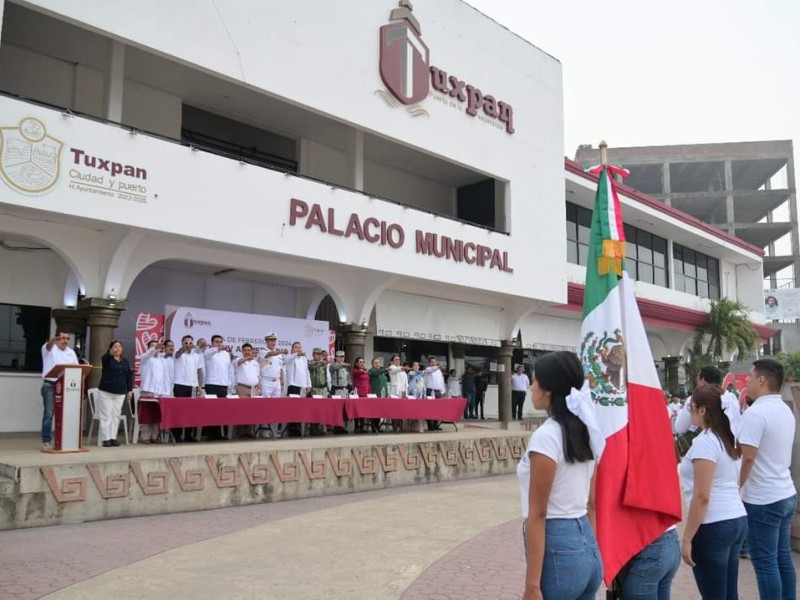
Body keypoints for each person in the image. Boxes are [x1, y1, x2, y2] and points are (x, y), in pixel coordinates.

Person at [517, 351, 603, 600]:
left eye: (533, 381)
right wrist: (587, 550)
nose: (531, 387)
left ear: (546, 389)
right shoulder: (587, 431)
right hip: (587, 545)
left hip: (558, 546)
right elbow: (592, 504)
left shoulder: (547, 437)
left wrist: (532, 585)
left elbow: (538, 513)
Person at [679, 384, 747, 599]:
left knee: (715, 594)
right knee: (728, 592)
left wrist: (687, 537)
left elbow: (702, 496)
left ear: (702, 411)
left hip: (714, 523)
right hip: (736, 517)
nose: (689, 412)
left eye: (692, 407)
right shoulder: (729, 440)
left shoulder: (706, 442)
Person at [739, 358, 797, 599]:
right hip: (785, 492)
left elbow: (748, 458)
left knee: (765, 563)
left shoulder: (756, 413)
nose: (747, 380)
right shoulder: (785, 409)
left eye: (750, 376)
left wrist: (736, 487)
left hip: (763, 499)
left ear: (761, 380)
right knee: (782, 557)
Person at [40, 331, 80, 450]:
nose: (65, 341)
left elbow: (77, 368)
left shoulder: (71, 352)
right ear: (56, 339)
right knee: (49, 413)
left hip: (67, 386)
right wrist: (52, 339)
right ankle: (46, 441)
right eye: (62, 338)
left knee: (65, 414)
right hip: (50, 385)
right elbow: (48, 345)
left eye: (67, 338)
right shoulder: (49, 349)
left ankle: (64, 440)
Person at [97, 340, 133, 447]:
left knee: (116, 415)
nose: (118, 348)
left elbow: (128, 376)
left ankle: (113, 437)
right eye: (115, 346)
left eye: (120, 346)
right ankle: (106, 438)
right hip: (106, 391)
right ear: (111, 348)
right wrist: (110, 353)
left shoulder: (125, 361)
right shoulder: (107, 359)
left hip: (120, 392)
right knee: (106, 415)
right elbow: (104, 358)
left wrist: (129, 390)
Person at [138, 339, 174, 443]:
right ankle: (145, 436)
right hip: (147, 390)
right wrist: (154, 348)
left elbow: (165, 377)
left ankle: (155, 436)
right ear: (148, 348)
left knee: (156, 414)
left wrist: (166, 391)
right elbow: (148, 354)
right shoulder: (145, 358)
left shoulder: (162, 360)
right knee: (147, 414)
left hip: (159, 391)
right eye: (152, 346)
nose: (156, 348)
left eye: (157, 346)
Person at [172, 334, 203, 442]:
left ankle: (189, 435)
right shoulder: (177, 352)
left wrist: (200, 385)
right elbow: (177, 355)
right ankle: (177, 435)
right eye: (186, 342)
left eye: (190, 343)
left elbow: (199, 371)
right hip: (180, 385)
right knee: (179, 411)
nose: (188, 345)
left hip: (193, 386)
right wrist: (185, 348)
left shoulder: (196, 355)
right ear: (182, 343)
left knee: (191, 411)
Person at [203, 334, 233, 440]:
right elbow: (209, 353)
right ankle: (211, 434)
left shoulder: (226, 354)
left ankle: (221, 434)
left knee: (222, 410)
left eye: (220, 342)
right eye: (216, 342)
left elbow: (229, 370)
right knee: (212, 410)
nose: (219, 343)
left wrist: (229, 384)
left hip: (223, 385)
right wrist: (217, 348)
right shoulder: (208, 352)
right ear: (212, 343)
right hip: (211, 384)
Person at [258, 332, 286, 438]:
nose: (272, 342)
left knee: (276, 407)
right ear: (266, 342)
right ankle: (265, 432)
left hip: (277, 382)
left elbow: (281, 370)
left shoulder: (279, 356)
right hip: (266, 381)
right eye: (270, 340)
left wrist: (282, 382)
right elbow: (270, 354)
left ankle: (273, 431)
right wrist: (281, 352)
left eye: (274, 340)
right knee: (265, 406)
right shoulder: (263, 351)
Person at [423, 356, 445, 431]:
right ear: (429, 363)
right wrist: (438, 366)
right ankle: (430, 425)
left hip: (438, 391)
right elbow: (432, 370)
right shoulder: (428, 369)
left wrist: (442, 391)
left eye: (435, 362)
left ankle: (436, 424)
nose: (434, 363)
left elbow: (441, 381)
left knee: (438, 409)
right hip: (430, 390)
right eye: (432, 362)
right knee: (430, 408)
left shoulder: (439, 371)